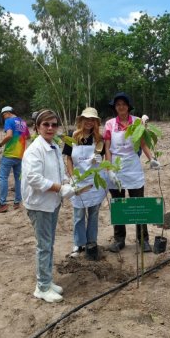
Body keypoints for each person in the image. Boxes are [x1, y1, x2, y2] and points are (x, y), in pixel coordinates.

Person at [21, 109, 78, 303]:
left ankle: (46, 280)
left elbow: (58, 171)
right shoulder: (34, 150)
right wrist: (60, 188)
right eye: (46, 124)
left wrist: (68, 183)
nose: (50, 128)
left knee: (48, 243)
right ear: (37, 127)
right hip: (40, 204)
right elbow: (34, 179)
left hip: (52, 202)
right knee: (44, 245)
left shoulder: (53, 146)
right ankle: (42, 287)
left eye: (54, 124)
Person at [104, 92, 160, 253]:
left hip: (133, 167)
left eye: (123, 104)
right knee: (118, 205)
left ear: (128, 106)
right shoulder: (109, 124)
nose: (121, 107)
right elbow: (107, 148)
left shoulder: (137, 122)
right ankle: (119, 239)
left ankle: (143, 240)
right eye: (117, 104)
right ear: (115, 108)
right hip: (116, 167)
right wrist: (109, 169)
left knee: (138, 203)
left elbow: (143, 144)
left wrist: (152, 158)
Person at [62, 107, 106, 258]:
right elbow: (68, 158)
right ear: (81, 120)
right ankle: (78, 243)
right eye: (86, 119)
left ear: (96, 122)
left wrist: (100, 161)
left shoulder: (99, 139)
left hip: (94, 180)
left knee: (93, 213)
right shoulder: (72, 136)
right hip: (78, 181)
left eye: (92, 119)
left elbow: (103, 159)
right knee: (79, 214)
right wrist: (72, 177)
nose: (89, 122)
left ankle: (91, 242)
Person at [0, 106, 31, 213]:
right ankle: (17, 202)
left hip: (9, 154)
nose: (4, 118)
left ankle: (2, 203)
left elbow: (9, 135)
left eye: (3, 115)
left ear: (7, 113)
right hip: (21, 155)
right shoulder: (22, 122)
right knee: (19, 179)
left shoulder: (9, 121)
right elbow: (28, 136)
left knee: (3, 178)